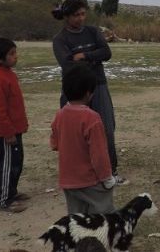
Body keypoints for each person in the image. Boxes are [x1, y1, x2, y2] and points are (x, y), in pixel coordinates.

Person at [52, 0, 126, 185]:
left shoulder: (93, 31)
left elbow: (106, 53)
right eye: (76, 15)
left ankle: (110, 170)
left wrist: (85, 56)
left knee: (106, 128)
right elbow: (67, 64)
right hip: (74, 90)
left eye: (83, 14)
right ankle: (79, 172)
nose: (80, 18)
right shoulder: (60, 39)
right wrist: (94, 59)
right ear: (67, 17)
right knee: (73, 132)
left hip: (98, 85)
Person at [50, 64, 116, 214]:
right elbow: (99, 154)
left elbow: (54, 143)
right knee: (103, 216)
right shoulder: (92, 118)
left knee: (77, 218)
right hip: (90, 181)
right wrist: (107, 177)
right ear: (89, 93)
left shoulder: (60, 115)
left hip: (68, 180)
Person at [0, 37, 29, 213]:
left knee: (17, 162)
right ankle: (4, 199)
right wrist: (7, 132)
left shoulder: (9, 74)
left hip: (16, 129)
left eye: (15, 52)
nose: (15, 56)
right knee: (8, 164)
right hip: (8, 133)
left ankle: (12, 191)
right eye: (11, 54)